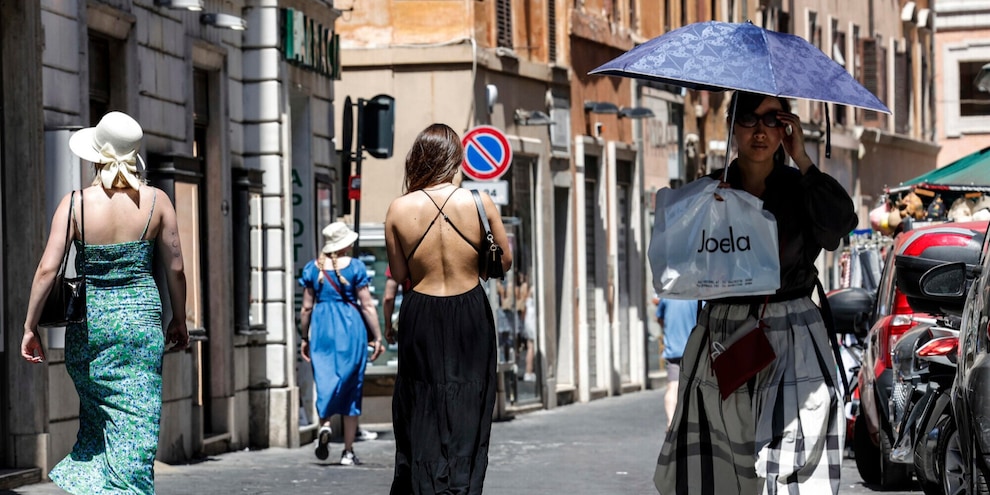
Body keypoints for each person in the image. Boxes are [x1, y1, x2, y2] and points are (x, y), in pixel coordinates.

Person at [654, 91, 858, 495]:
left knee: (792, 462)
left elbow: (840, 224)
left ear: (786, 126)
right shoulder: (707, 194)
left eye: (772, 119)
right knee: (726, 468)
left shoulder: (802, 189)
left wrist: (803, 159)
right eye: (749, 119)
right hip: (723, 340)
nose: (760, 131)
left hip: (792, 336)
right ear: (732, 126)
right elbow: (675, 264)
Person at [20, 111, 189, 494]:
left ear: (98, 154)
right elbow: (175, 269)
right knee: (136, 421)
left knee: (100, 420)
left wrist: (30, 327)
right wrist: (179, 320)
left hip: (91, 326)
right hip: (141, 325)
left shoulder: (76, 203)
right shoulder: (156, 202)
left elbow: (48, 269)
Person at [384, 123, 512, 494]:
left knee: (422, 401)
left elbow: (400, 272)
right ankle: (462, 486)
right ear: (455, 159)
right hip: (469, 308)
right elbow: (504, 262)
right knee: (470, 399)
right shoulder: (479, 202)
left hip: (421, 310)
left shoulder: (398, 209)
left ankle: (425, 485)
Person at [298, 222, 384, 465]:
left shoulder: (312, 269)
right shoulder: (355, 267)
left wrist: (305, 337)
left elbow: (306, 308)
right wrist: (377, 336)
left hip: (322, 327)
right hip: (350, 327)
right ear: (345, 244)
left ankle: (324, 425)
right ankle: (348, 451)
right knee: (351, 385)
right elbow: (367, 305)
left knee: (324, 380)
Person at [655, 298, 697, 429]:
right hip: (693, 349)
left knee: (673, 386)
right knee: (693, 387)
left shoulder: (667, 297)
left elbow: (660, 318)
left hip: (673, 350)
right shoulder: (696, 297)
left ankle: (670, 423)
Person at [515, 272, 536, 381]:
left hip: (528, 321)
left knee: (530, 346)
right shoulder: (532, 290)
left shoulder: (526, 294)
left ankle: (529, 371)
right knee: (531, 347)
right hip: (532, 321)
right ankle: (529, 371)